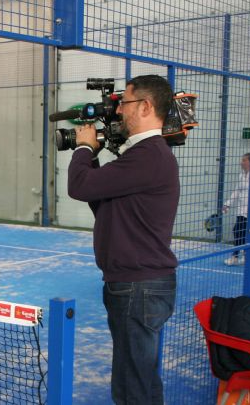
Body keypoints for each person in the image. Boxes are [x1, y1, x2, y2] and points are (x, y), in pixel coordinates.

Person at [67, 75, 179, 404]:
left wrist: (85, 147)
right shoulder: (145, 157)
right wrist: (94, 156)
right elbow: (101, 196)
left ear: (145, 106)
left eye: (125, 104)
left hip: (137, 286)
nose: (119, 113)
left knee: (132, 387)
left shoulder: (147, 155)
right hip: (137, 284)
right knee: (141, 379)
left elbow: (79, 186)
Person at [222, 152, 250, 266]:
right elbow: (237, 191)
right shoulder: (241, 175)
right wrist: (227, 204)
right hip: (241, 210)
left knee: (240, 231)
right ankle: (243, 254)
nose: (241, 162)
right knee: (239, 231)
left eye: (244, 160)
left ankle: (236, 256)